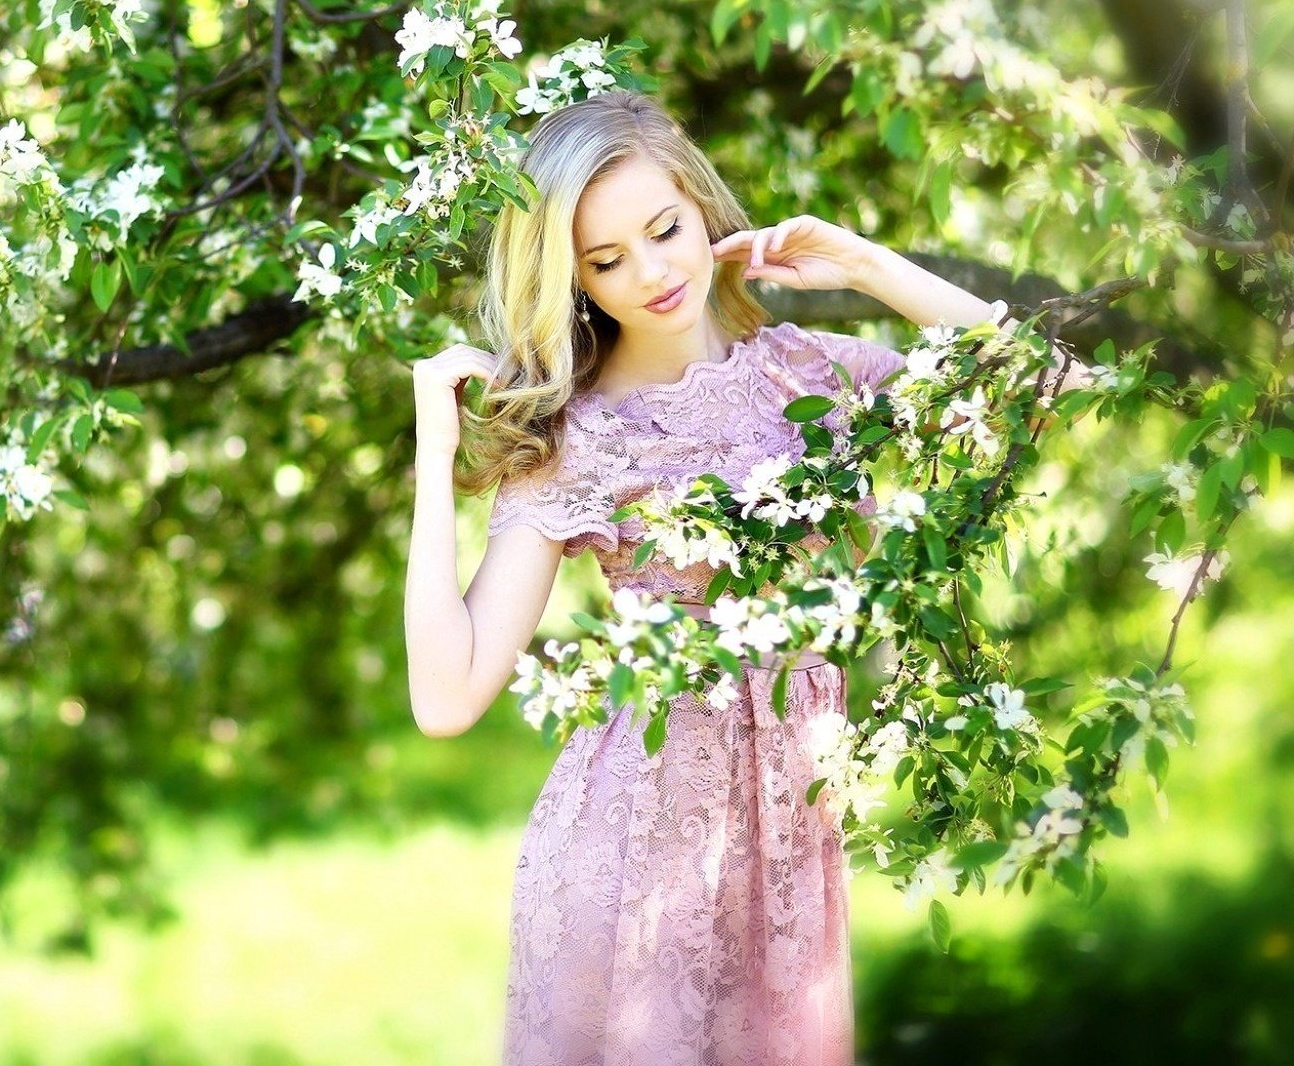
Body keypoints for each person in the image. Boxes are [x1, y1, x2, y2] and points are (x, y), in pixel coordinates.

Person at [403, 89, 1077, 1064]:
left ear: (700, 206)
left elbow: (1044, 389)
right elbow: (446, 697)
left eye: (664, 229)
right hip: (632, 851)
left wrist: (866, 265)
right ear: (573, 278)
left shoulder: (812, 377)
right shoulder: (576, 436)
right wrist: (434, 443)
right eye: (604, 260)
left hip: (787, 847)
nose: (649, 272)